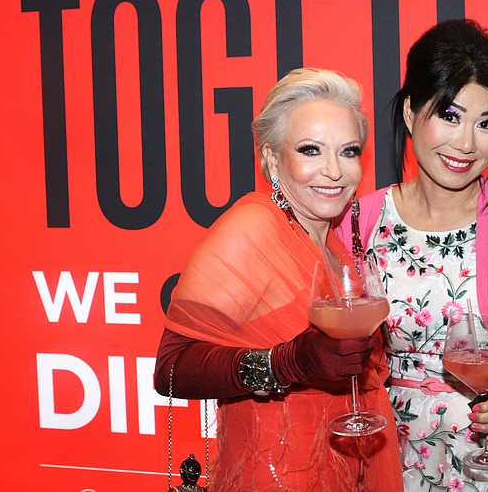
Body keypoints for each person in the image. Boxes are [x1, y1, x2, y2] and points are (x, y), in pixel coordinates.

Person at [337, 19, 488, 491]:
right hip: (391, 456)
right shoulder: (355, 222)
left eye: (486, 124)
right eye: (449, 115)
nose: (466, 144)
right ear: (409, 113)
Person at [154, 67, 403, 492]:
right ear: (271, 158)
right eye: (310, 150)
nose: (334, 171)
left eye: (348, 152)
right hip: (275, 477)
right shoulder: (253, 227)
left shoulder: (336, 242)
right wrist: (286, 362)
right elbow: (171, 369)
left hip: (344, 472)